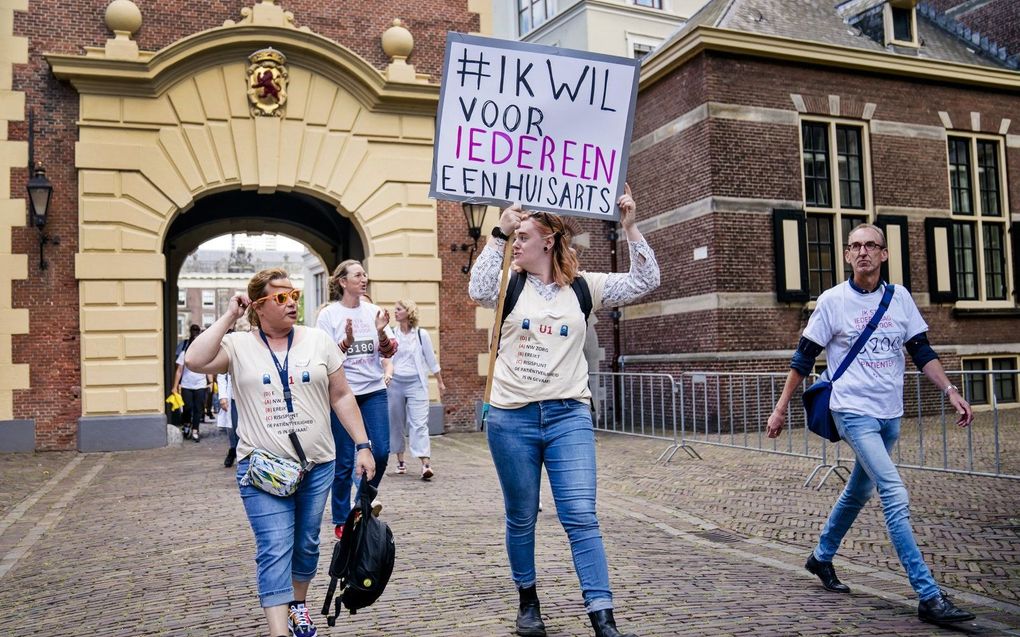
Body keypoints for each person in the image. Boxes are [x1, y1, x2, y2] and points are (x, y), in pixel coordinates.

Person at [468, 185, 658, 637]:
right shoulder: (506, 283)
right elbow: (476, 290)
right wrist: (500, 232)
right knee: (522, 514)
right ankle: (528, 603)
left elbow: (646, 281)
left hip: (567, 415)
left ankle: (603, 616)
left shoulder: (584, 287)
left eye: (524, 237)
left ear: (548, 241)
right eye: (516, 239)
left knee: (580, 514)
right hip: (511, 417)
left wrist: (629, 226)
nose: (518, 244)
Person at [765, 224, 976, 627]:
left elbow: (921, 350)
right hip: (852, 411)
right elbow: (803, 358)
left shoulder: (900, 299)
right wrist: (779, 409)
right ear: (847, 256)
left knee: (859, 490)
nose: (863, 252)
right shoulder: (832, 301)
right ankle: (929, 596)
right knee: (893, 491)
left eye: (871, 246)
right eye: (856, 246)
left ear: (884, 255)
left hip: (889, 413)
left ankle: (821, 556)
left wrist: (950, 389)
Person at [185, 267, 376, 637]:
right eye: (281, 298)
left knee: (305, 545)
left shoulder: (318, 340)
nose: (291, 304)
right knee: (275, 545)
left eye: (295, 296)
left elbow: (341, 395)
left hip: (317, 465)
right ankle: (278, 631)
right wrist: (229, 316)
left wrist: (363, 445)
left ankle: (298, 606)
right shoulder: (238, 346)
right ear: (257, 306)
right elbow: (194, 360)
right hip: (262, 468)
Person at [316, 260, 396, 540]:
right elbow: (323, 358)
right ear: (342, 282)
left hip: (373, 391)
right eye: (358, 275)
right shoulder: (329, 316)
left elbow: (389, 351)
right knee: (343, 461)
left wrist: (381, 331)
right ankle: (341, 517)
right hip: (342, 394)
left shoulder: (374, 311)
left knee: (382, 451)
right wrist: (346, 343)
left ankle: (362, 501)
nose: (364, 279)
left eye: (364, 275)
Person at [387, 299, 446, 480]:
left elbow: (431, 360)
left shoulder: (421, 335)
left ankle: (425, 464)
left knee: (419, 423)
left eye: (399, 309)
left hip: (416, 384)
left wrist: (440, 382)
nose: (395, 312)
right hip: (395, 383)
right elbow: (384, 357)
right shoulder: (391, 334)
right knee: (396, 423)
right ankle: (401, 461)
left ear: (408, 312)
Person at [172, 324, 211, 442]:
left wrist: (210, 382)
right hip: (187, 385)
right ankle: (187, 424)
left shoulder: (204, 354)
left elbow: (208, 368)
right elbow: (179, 371)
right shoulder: (185, 354)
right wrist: (175, 386)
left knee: (198, 409)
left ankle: (195, 430)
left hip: (200, 384)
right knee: (188, 407)